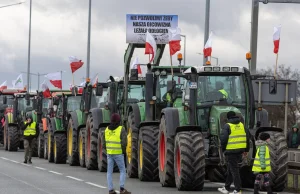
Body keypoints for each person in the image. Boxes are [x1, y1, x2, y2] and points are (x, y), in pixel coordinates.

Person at [218, 111, 250, 194]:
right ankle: (227, 187)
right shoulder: (242, 125)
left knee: (234, 170)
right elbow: (247, 138)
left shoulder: (227, 126)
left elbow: (223, 139)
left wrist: (224, 150)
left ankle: (238, 190)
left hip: (231, 151)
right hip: (240, 151)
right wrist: (246, 150)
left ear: (228, 118)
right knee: (231, 169)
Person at [102, 113, 131, 194]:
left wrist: (108, 149)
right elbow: (124, 142)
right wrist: (122, 150)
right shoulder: (121, 129)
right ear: (119, 121)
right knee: (122, 170)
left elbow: (103, 143)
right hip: (118, 153)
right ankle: (122, 189)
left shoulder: (106, 129)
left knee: (109, 172)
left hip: (109, 153)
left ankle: (111, 190)